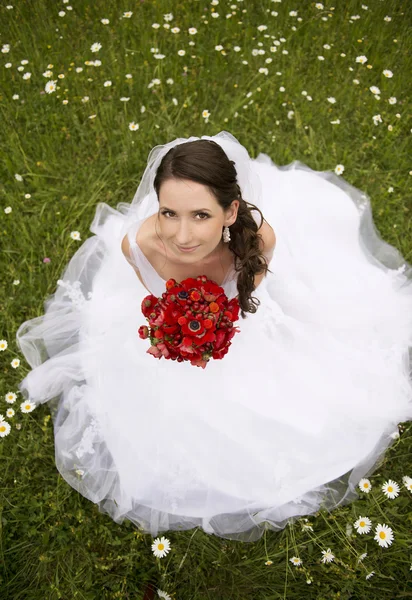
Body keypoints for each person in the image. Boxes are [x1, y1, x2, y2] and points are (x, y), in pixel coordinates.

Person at [16, 131, 412, 543]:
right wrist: (170, 332)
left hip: (240, 324)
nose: (182, 236)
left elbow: (255, 277)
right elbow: (154, 296)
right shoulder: (139, 246)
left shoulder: (259, 239)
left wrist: (226, 313)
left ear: (230, 211)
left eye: (201, 215)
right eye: (169, 212)